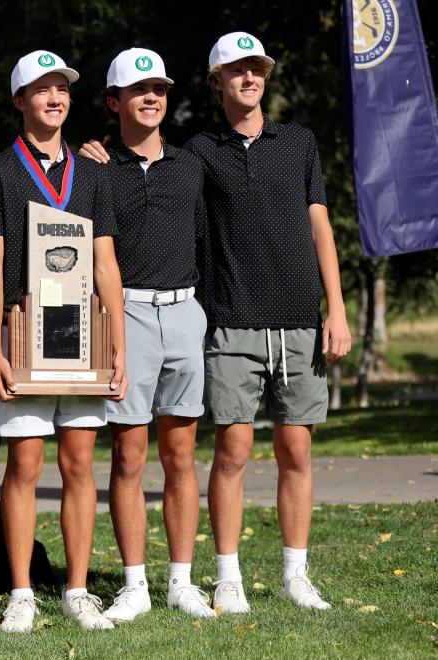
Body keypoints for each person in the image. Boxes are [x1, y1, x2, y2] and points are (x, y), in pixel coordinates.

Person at [185, 32, 352, 613]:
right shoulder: (198, 150)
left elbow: (321, 229)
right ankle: (227, 577)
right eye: (236, 71)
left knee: (296, 452)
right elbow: (146, 165)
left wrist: (336, 307)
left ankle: (295, 574)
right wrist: (98, 150)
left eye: (256, 69)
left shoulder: (299, 142)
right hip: (231, 319)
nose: (249, 78)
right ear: (217, 83)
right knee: (231, 451)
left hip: (301, 318)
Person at [0, 50, 128, 634]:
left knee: (80, 463)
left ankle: (78, 589)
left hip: (83, 334)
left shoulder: (92, 174)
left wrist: (118, 345)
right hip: (23, 332)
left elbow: (105, 262)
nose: (54, 98)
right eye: (41, 90)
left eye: (61, 88)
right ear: (20, 102)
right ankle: (21, 591)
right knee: (25, 463)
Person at [77, 47, 215, 622]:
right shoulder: (94, 164)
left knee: (180, 454)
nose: (151, 97)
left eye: (158, 88)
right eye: (138, 90)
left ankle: (181, 581)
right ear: (115, 102)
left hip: (184, 310)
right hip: (125, 313)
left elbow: (206, 240)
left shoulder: (190, 165)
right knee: (130, 455)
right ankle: (134, 584)